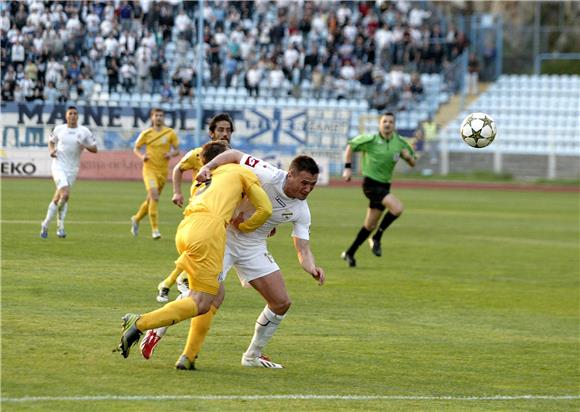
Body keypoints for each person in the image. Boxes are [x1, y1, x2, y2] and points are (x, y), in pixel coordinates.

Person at [140, 150, 325, 369]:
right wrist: (208, 167)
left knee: (281, 302)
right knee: (202, 298)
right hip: (223, 237)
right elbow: (235, 154)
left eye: (312, 185)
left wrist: (312, 267)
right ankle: (155, 329)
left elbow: (303, 249)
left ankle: (252, 356)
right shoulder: (268, 174)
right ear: (290, 174)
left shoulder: (302, 210)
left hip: (253, 246)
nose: (308, 189)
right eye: (304, 183)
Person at [116, 141, 273, 367]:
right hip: (209, 232)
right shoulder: (239, 170)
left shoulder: (204, 178)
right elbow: (265, 209)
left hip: (186, 229)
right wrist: (246, 226)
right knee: (201, 302)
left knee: (215, 295)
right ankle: (140, 323)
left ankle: (188, 357)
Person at [156, 112, 235, 302]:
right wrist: (177, 192)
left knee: (198, 252)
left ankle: (169, 283)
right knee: (199, 251)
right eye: (220, 130)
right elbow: (177, 169)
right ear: (211, 133)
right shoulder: (199, 153)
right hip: (199, 211)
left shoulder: (234, 157)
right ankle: (181, 283)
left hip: (221, 213)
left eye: (228, 130)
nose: (225, 134)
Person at [341, 112, 416, 267]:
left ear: (394, 125)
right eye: (384, 121)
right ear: (379, 124)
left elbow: (413, 162)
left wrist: (408, 157)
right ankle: (377, 238)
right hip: (370, 184)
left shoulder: (400, 143)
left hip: (384, 185)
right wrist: (348, 168)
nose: (387, 124)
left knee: (369, 225)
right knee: (397, 208)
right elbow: (350, 146)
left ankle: (350, 253)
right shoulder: (371, 140)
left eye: (390, 122)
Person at [40, 106, 98, 238]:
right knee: (65, 194)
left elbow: (95, 149)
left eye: (75, 113)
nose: (73, 115)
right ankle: (60, 226)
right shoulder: (59, 129)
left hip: (73, 169)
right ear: (66, 116)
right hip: (58, 166)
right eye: (70, 113)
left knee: (58, 198)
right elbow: (51, 141)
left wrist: (85, 145)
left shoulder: (84, 131)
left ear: (78, 116)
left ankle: (45, 224)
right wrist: (51, 151)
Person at [130, 108, 180, 239]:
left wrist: (170, 154)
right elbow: (136, 148)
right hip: (149, 170)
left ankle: (136, 219)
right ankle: (155, 230)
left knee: (150, 200)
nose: (159, 118)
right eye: (156, 115)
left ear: (163, 118)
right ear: (152, 118)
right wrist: (142, 157)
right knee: (154, 196)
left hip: (163, 172)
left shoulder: (170, 133)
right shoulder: (146, 133)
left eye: (161, 116)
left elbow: (177, 150)